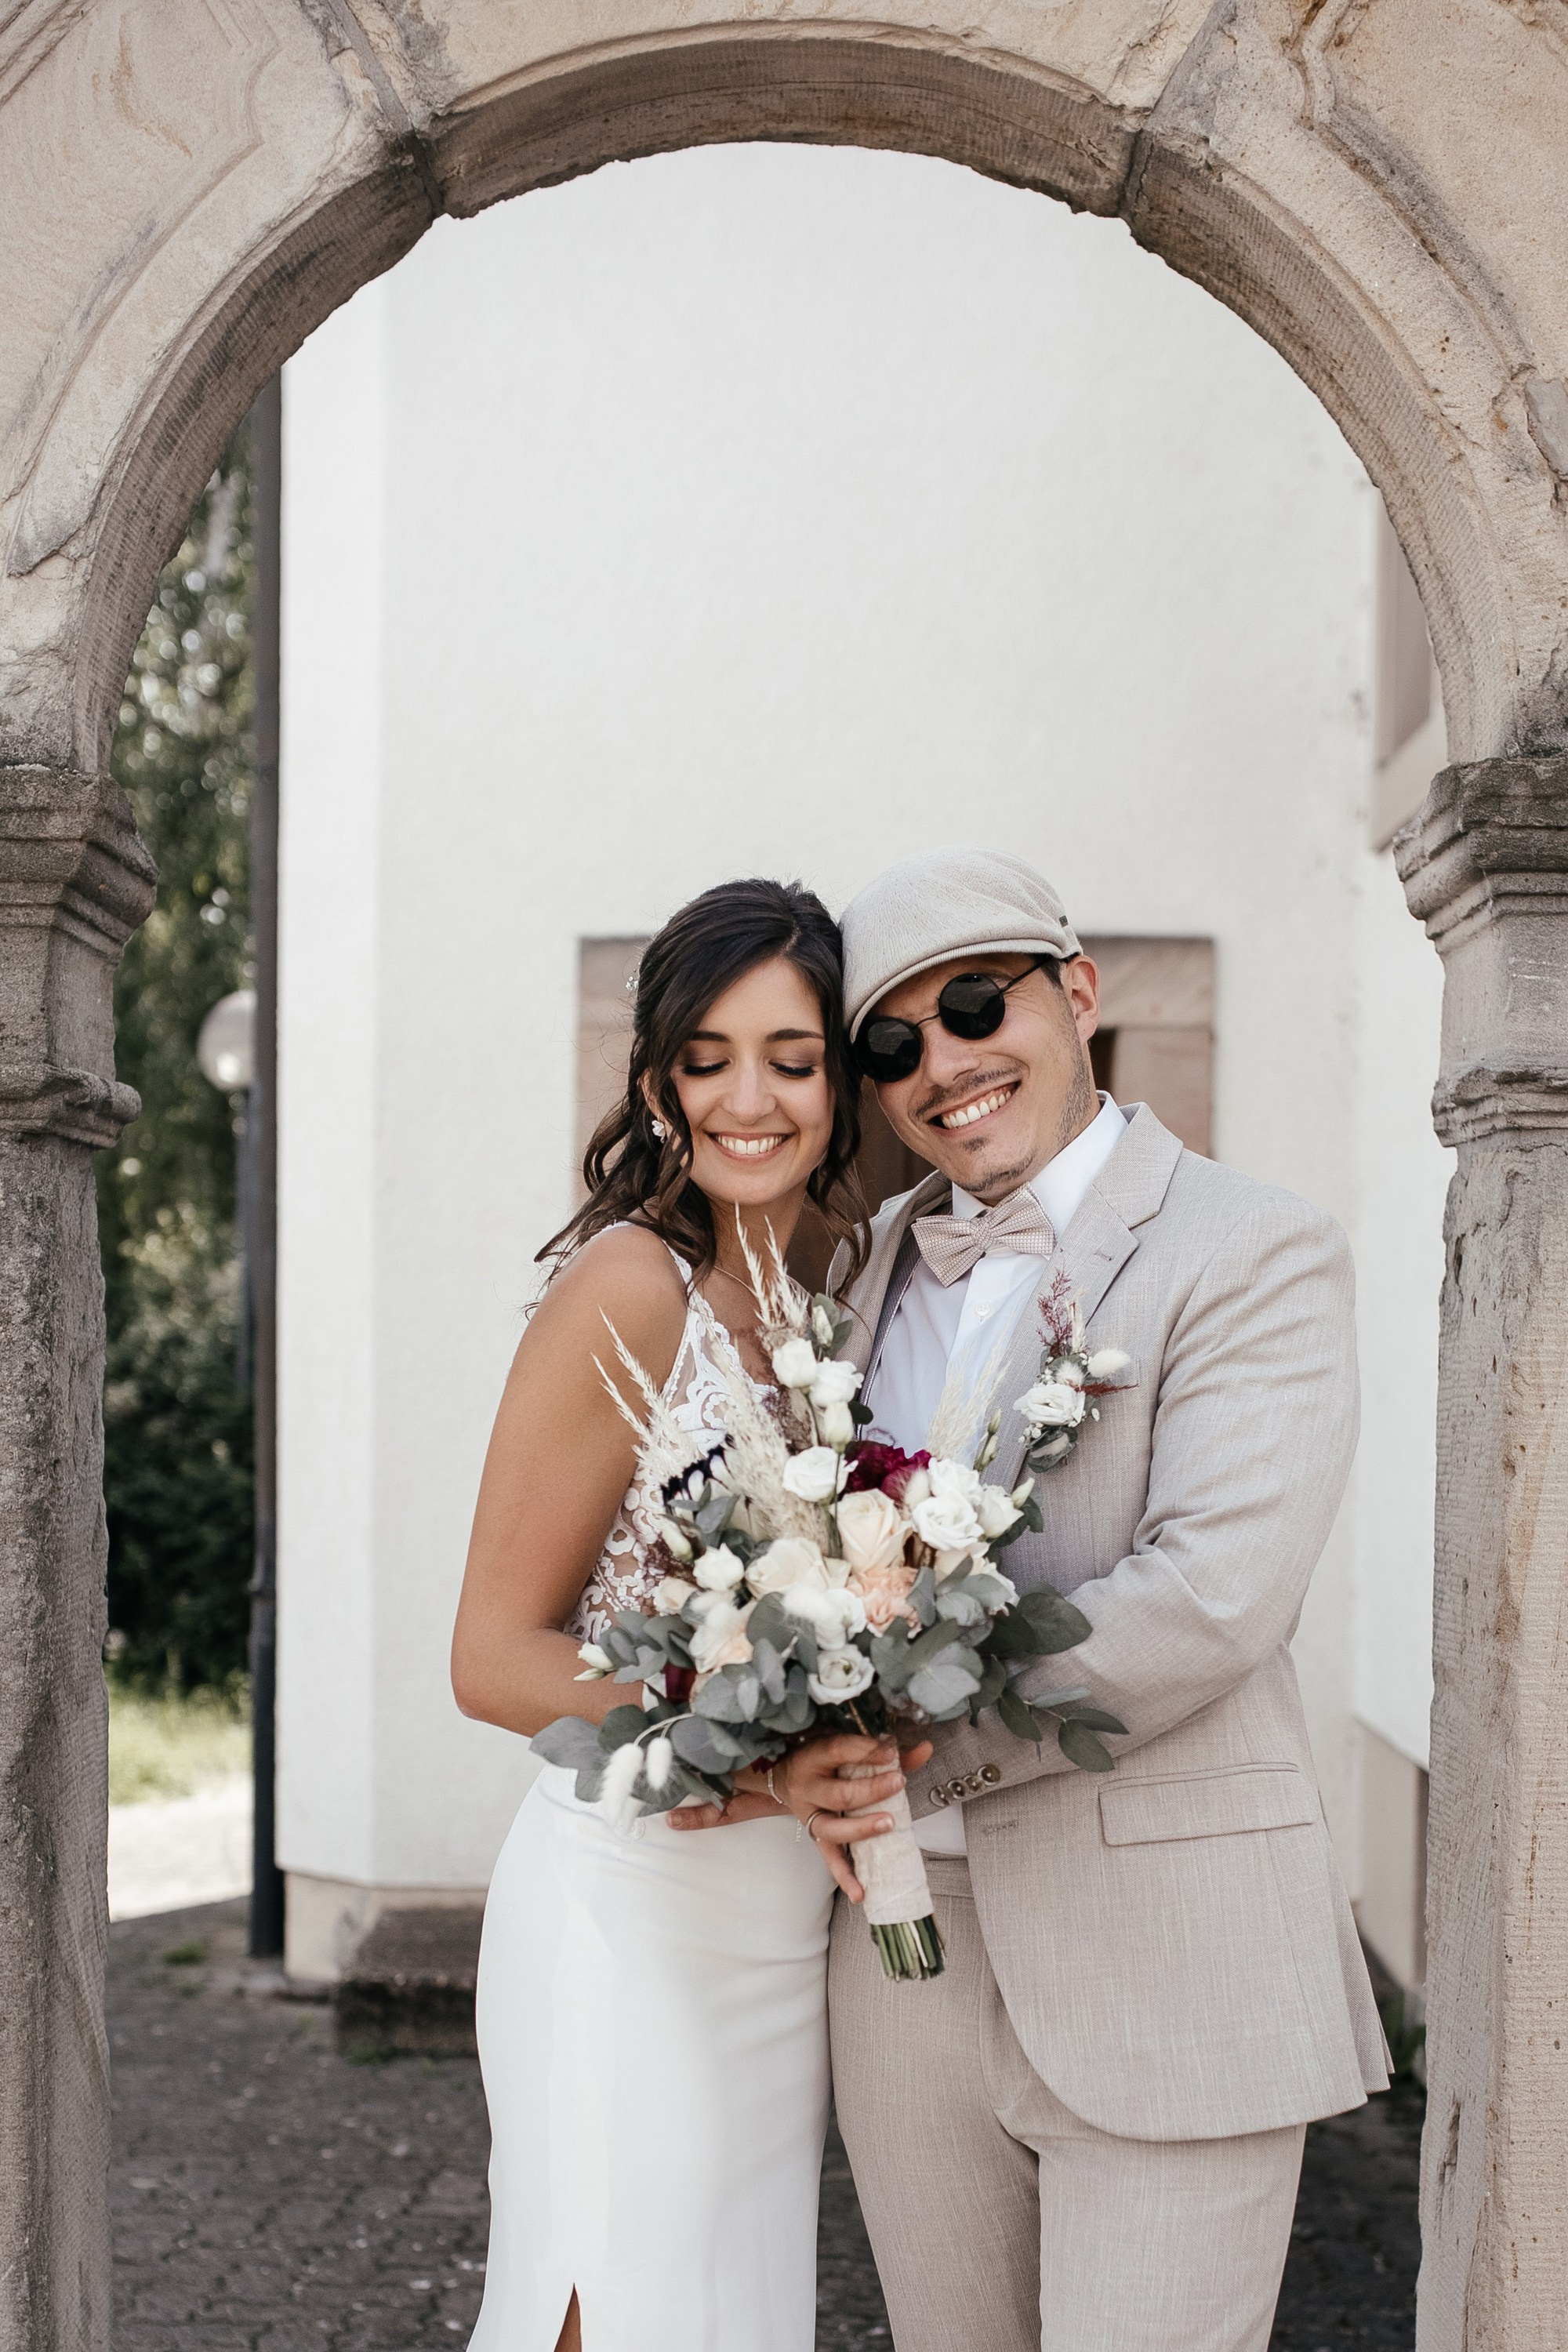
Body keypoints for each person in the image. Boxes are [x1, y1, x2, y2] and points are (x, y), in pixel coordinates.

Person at [785, 846, 1388, 2352]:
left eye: (980, 1004)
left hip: (1170, 1946)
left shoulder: (1252, 1246)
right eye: (894, 1042)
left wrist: (911, 1738)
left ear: (1079, 996)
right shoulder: (856, 1272)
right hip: (904, 1954)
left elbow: (1214, 1597)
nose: (947, 1062)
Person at [449, 877, 919, 2352]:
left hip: (777, 1938)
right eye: (708, 1059)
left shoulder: (828, 1304)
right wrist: (759, 1762)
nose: (750, 1098)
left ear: (840, 1087)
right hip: (626, 1910)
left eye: (790, 1057)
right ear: (659, 1084)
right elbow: (493, 1657)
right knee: (611, 2313)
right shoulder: (628, 1287)